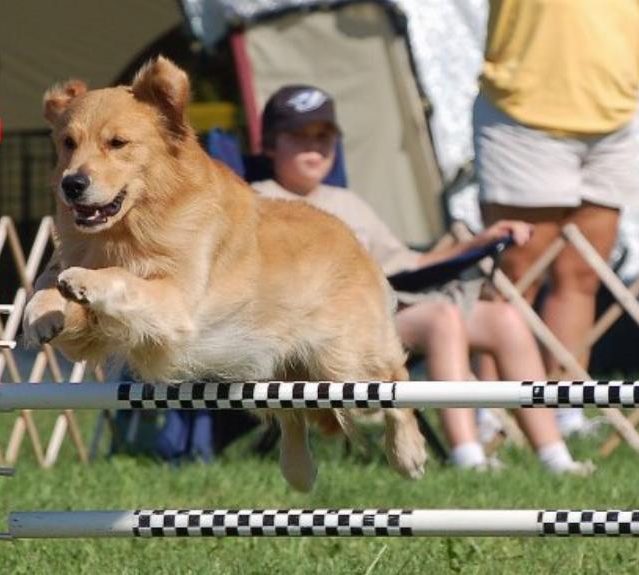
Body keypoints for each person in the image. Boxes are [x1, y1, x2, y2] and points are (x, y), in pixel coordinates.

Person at [253, 84, 592, 474]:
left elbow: (408, 263)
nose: (313, 147)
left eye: (323, 136)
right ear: (270, 145)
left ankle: (555, 457)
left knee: (504, 318)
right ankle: (469, 456)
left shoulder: (346, 202)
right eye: (298, 136)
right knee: (441, 317)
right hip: (321, 331)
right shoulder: (260, 202)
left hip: (387, 308)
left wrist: (479, 241)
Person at [473, 0, 639, 436]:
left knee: (582, 276)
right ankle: (490, 413)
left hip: (615, 112)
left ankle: (565, 409)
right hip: (523, 111)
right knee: (515, 275)